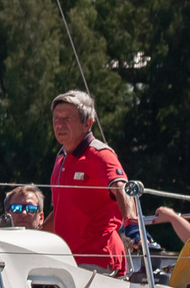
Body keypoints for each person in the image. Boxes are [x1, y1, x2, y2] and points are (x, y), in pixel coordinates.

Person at [48, 90, 139, 272]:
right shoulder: (61, 158)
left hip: (99, 260)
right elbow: (61, 212)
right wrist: (31, 234)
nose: (60, 124)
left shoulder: (100, 154)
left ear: (87, 123)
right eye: (56, 118)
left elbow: (122, 188)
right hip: (68, 260)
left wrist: (133, 225)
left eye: (67, 118)